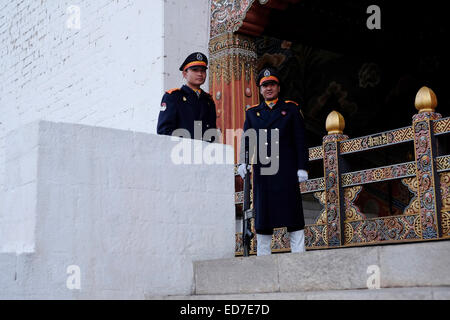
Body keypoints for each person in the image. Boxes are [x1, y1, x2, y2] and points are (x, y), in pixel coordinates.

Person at [238, 67, 309, 256]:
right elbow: (247, 140)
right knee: (263, 215)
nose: (268, 88)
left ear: (278, 87)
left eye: (272, 84)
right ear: (260, 90)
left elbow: (300, 140)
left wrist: (302, 167)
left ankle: (299, 253)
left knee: (292, 213)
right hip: (263, 171)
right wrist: (242, 162)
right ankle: (263, 257)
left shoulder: (291, 109)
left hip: (286, 169)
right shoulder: (252, 113)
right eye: (264, 85)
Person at [157, 52, 217, 141]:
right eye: (195, 70)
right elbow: (164, 131)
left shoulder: (208, 100)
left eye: (203, 70)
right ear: (185, 74)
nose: (200, 74)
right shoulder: (173, 97)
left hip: (203, 152)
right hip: (180, 150)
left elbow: (211, 132)